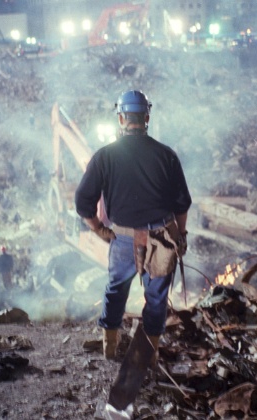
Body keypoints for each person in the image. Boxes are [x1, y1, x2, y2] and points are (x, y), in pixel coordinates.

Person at [75, 90, 192, 363]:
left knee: (116, 290)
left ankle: (110, 347)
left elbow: (82, 201)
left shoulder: (104, 156)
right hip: (162, 238)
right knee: (156, 297)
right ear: (147, 116)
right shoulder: (167, 156)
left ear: (121, 118)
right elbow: (182, 204)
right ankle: (148, 354)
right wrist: (181, 235)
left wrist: (99, 230)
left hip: (123, 238)